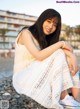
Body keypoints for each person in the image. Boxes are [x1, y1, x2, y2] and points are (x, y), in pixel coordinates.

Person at [12, 8, 80, 109]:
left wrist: (72, 56)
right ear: (42, 19)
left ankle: (77, 98)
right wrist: (61, 43)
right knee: (59, 54)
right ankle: (64, 96)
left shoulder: (43, 39)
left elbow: (59, 52)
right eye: (49, 21)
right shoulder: (26, 33)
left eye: (55, 24)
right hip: (22, 77)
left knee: (66, 58)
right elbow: (39, 56)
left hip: (35, 72)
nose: (51, 26)